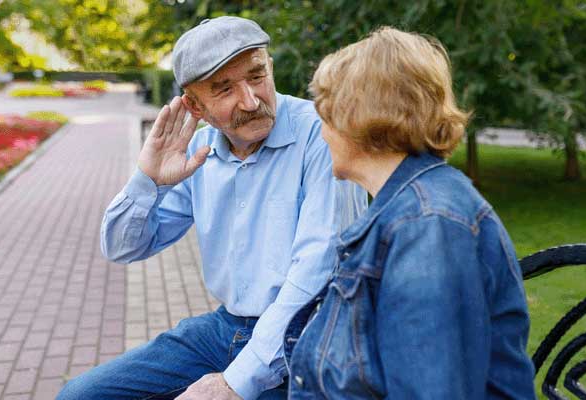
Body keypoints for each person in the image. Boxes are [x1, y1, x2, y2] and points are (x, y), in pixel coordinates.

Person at [56, 16, 366, 400]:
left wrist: (234, 383)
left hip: (309, 338)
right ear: (194, 105)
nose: (251, 101)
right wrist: (148, 179)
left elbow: (317, 275)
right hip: (225, 329)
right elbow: (123, 247)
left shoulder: (323, 135)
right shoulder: (197, 151)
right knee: (80, 396)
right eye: (224, 89)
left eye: (257, 76)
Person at [284, 27, 536, 399]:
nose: (321, 132)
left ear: (357, 115)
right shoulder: (408, 208)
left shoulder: (426, 225)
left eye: (326, 113)